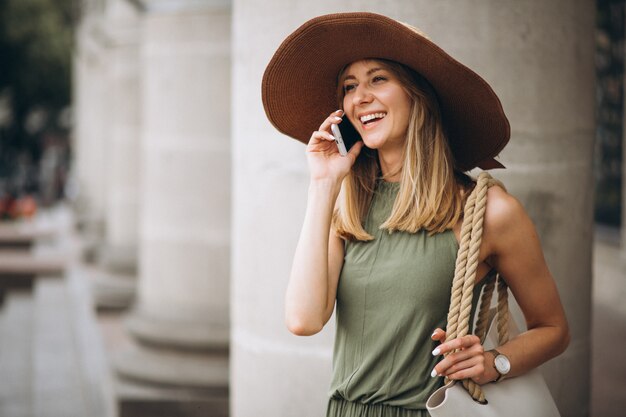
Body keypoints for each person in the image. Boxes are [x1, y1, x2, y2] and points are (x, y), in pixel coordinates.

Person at [262, 12, 570, 417]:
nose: (359, 97)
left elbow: (554, 329)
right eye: (349, 86)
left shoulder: (487, 211)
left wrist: (494, 364)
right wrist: (323, 184)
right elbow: (303, 319)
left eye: (378, 79)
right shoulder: (346, 204)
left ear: (416, 93)